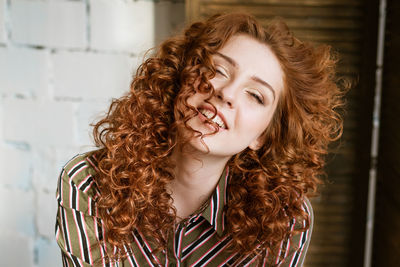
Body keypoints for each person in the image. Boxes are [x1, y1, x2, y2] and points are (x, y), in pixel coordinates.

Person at [55, 12, 344, 266]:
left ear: (264, 136)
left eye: (256, 95)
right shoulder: (88, 182)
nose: (226, 93)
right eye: (218, 71)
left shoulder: (284, 220)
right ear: (182, 77)